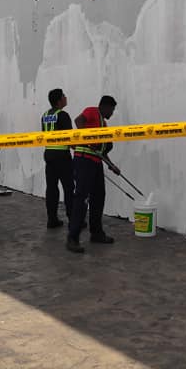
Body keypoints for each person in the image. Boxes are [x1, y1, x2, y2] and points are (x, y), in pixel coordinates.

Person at [66, 95, 117, 253]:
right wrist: (87, 138)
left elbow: (102, 151)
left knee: (99, 197)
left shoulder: (104, 124)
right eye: (112, 110)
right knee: (82, 199)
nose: (112, 113)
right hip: (84, 160)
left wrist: (112, 165)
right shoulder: (92, 111)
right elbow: (78, 120)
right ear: (105, 106)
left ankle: (96, 233)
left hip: (96, 163)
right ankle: (72, 237)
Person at [42, 88, 74, 228]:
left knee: (51, 188)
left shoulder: (45, 115)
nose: (66, 98)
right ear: (59, 100)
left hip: (49, 154)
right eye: (64, 96)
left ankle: (52, 219)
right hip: (62, 156)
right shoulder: (63, 115)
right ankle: (73, 218)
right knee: (69, 187)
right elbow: (69, 137)